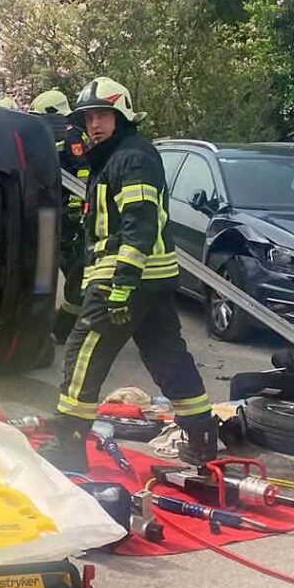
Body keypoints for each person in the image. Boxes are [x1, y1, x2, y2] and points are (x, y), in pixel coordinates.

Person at [49, 78, 218, 472]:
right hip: (151, 281)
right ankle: (201, 437)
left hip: (125, 279)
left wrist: (121, 284)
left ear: (121, 116)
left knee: (83, 355)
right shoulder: (119, 156)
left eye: (102, 115)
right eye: (89, 118)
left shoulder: (131, 158)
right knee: (167, 357)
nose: (94, 124)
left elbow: (139, 222)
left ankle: (69, 445)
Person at [30, 89, 92, 343]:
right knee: (46, 274)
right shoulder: (46, 137)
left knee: (74, 273)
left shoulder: (72, 136)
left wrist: (75, 208)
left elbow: (83, 172)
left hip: (66, 215)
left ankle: (64, 327)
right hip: (49, 213)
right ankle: (48, 327)